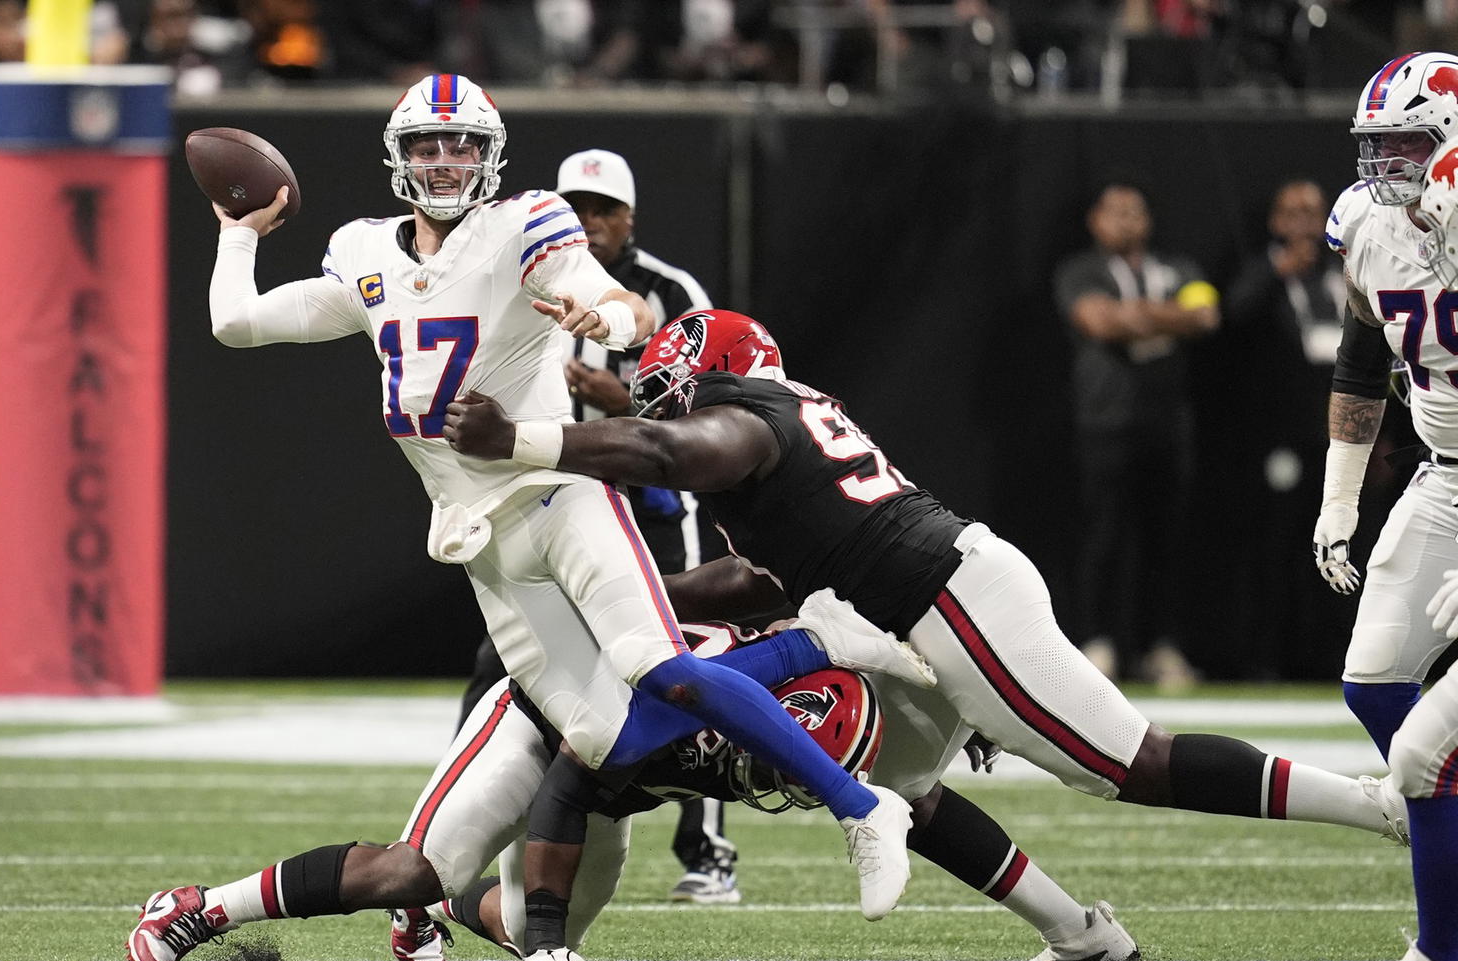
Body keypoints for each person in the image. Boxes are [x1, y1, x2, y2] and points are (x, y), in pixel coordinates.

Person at [193, 74, 925, 961]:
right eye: (428, 145)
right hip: (482, 538)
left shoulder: (526, 223)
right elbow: (236, 324)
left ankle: (862, 809)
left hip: (559, 494)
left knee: (659, 666)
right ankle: (815, 641)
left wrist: (603, 313)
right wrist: (237, 233)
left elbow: (623, 307)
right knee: (607, 740)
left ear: (490, 155)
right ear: (399, 156)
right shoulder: (363, 252)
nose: (445, 162)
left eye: (463, 145)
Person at [442, 309, 1412, 883]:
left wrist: (520, 441)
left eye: (674, 391)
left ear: (720, 379)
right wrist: (621, 588)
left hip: (942, 600)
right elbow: (753, 577)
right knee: (913, 782)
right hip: (925, 608)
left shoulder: (749, 420)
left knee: (1130, 764)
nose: (666, 408)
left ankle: (1381, 807)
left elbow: (663, 449)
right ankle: (1080, 935)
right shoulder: (787, 429)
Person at [128, 607, 1144, 961]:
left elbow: (918, 793)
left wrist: (965, 716)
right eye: (781, 761)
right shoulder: (696, 709)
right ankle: (197, 909)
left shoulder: (822, 682)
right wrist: (554, 939)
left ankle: (443, 912)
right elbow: (574, 779)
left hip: (619, 783)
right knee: (416, 867)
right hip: (548, 724)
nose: (777, 780)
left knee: (520, 924)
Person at [457, 147, 738, 905]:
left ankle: (707, 852)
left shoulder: (670, 292)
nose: (586, 221)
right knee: (504, 659)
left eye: (601, 209)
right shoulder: (525, 271)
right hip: (556, 495)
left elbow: (712, 406)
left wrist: (625, 400)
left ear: (629, 218)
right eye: (574, 207)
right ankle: (457, 830)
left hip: (651, 499)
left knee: (683, 657)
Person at [1303, 52, 1458, 961]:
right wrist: (1340, 498)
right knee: (1374, 681)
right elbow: (1364, 358)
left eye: (1404, 145)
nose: (1381, 167)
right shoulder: (1367, 223)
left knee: (1425, 754)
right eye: (1374, 146)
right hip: (1445, 477)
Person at [1053, 183, 1220, 691]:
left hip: (1166, 423)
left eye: (1135, 211)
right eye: (1115, 212)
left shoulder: (1178, 267)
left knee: (1164, 539)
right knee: (1104, 534)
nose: (1126, 221)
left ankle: (1159, 646)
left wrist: (1136, 317)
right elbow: (1099, 322)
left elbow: (1205, 315)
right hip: (1106, 421)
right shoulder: (1080, 270)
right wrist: (1167, 318)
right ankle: (1098, 642)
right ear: (1095, 220)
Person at [1221, 180, 1352, 679]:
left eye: (1312, 212)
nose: (1302, 223)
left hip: (1338, 437)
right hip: (1278, 437)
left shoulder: (1344, 273)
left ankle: (1334, 658)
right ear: (1275, 221)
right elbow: (1234, 313)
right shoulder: (1261, 272)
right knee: (1275, 546)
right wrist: (1278, 271)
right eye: (1291, 212)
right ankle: (1265, 661)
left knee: (1341, 546)